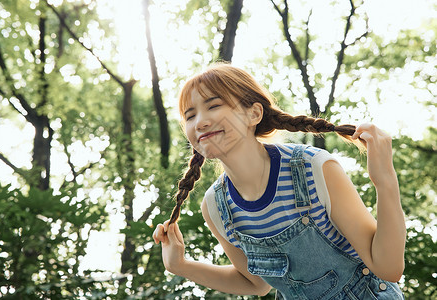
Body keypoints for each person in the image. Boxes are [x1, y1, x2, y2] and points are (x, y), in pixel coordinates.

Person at [152, 63, 406, 299]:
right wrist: (180, 266)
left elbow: (388, 268)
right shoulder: (217, 206)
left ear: (253, 114)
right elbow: (256, 284)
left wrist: (385, 180)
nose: (200, 122)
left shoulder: (313, 168)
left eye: (214, 105)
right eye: (190, 115)